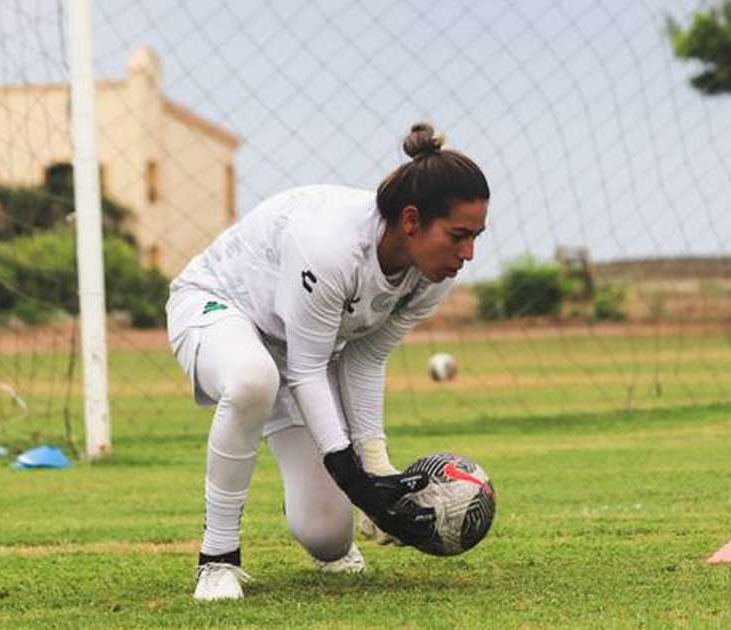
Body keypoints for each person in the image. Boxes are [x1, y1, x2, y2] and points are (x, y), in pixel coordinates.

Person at [165, 122, 489, 600]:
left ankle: (323, 524)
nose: (468, 253)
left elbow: (364, 359)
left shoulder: (433, 275)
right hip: (217, 307)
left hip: (292, 349)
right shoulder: (332, 248)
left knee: (327, 537)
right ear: (412, 221)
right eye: (458, 235)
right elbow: (308, 369)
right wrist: (351, 475)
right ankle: (217, 559)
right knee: (253, 379)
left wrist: (376, 478)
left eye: (476, 237)